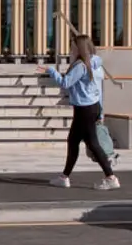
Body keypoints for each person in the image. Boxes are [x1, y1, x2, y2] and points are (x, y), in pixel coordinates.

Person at [39, 34, 119, 190]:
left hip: (84, 109)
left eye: (73, 47)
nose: (71, 50)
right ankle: (64, 177)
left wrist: (51, 70)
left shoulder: (81, 66)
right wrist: (100, 111)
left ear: (79, 48)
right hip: (91, 107)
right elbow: (98, 89)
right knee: (73, 141)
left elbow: (65, 83)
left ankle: (111, 177)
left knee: (93, 144)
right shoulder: (95, 63)